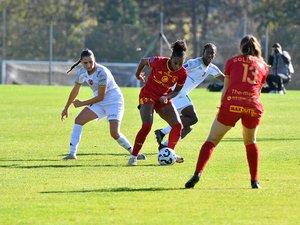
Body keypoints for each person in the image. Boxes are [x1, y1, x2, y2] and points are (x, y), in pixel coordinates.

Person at [185, 35, 269, 189]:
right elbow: (258, 91)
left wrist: (222, 106)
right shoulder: (263, 66)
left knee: (211, 141)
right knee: (251, 142)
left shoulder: (232, 61)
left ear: (241, 47)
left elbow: (226, 88)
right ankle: (254, 181)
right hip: (252, 105)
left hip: (231, 104)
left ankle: (197, 173)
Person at [61, 48, 146, 160]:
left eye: (91, 61)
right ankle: (72, 154)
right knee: (79, 120)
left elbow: (101, 96)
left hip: (114, 101)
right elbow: (76, 89)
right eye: (85, 63)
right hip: (99, 102)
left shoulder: (102, 72)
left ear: (94, 59)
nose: (89, 65)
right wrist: (66, 107)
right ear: (81, 62)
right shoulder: (82, 72)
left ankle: (135, 153)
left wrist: (82, 103)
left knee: (114, 133)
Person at [128, 40, 188, 166]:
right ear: (170, 58)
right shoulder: (160, 61)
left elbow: (176, 91)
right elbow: (143, 60)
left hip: (162, 98)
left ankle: (171, 153)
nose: (177, 66)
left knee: (177, 126)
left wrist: (167, 96)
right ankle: (133, 157)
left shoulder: (183, 73)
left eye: (180, 64)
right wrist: (138, 75)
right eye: (175, 62)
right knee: (147, 126)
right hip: (148, 95)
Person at [154, 43, 224, 148]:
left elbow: (225, 79)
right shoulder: (195, 63)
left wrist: (240, 82)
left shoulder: (212, 68)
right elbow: (178, 70)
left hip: (182, 94)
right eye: (208, 52)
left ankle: (165, 146)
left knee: (188, 127)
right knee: (193, 118)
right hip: (176, 92)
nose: (210, 55)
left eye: (212, 53)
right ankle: (162, 132)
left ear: (214, 55)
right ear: (203, 52)